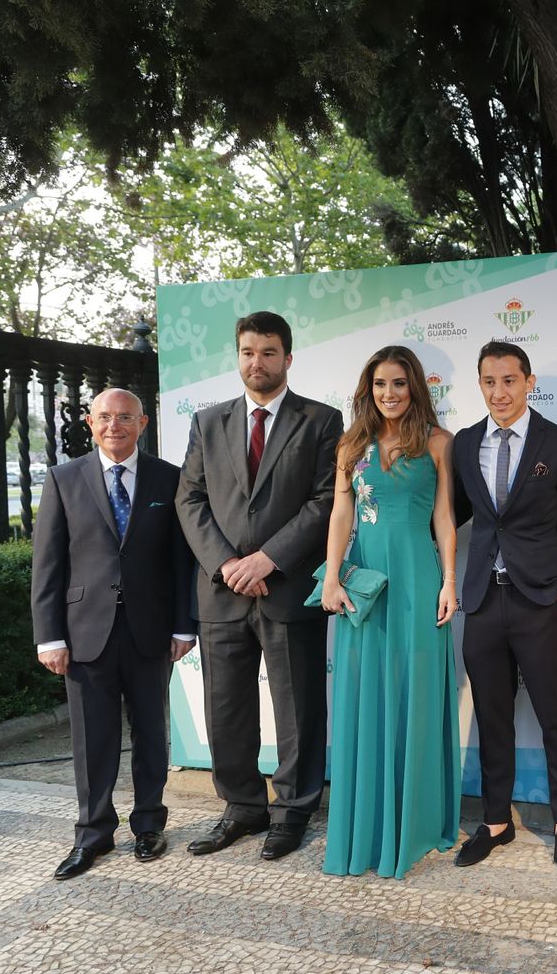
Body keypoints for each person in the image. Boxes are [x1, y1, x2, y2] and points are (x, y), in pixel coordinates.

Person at [177, 311, 343, 861]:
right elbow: (189, 498)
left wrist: (268, 559)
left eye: (268, 352)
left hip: (288, 588)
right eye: (248, 352)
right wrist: (227, 563)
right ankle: (242, 807)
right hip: (222, 591)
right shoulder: (208, 422)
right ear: (238, 356)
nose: (257, 362)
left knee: (297, 708)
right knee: (226, 707)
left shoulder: (322, 421)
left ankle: (293, 810)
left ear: (288, 359)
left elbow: (326, 501)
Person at [31, 388, 196, 880]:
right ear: (90, 421)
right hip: (85, 633)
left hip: (150, 631)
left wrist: (184, 625)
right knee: (91, 738)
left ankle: (149, 824)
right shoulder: (64, 479)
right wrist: (49, 637)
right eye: (104, 417)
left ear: (143, 423)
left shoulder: (169, 478)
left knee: (152, 732)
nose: (114, 426)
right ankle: (93, 834)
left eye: (125, 417)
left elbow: (180, 561)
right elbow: (48, 564)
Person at [319, 346, 461, 878]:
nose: (389, 394)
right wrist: (332, 576)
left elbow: (445, 518)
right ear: (368, 389)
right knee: (365, 697)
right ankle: (368, 824)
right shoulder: (350, 445)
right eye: (380, 384)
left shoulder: (439, 443)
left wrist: (449, 583)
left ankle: (417, 823)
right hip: (366, 583)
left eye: (399, 384)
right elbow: (341, 512)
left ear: (416, 387)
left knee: (415, 695)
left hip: (418, 579)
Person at [451, 341, 557, 869]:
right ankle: (496, 822)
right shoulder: (465, 444)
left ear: (529, 383)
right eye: (489, 382)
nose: (499, 392)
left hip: (539, 602)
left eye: (509, 381)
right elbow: (453, 516)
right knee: (491, 715)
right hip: (483, 601)